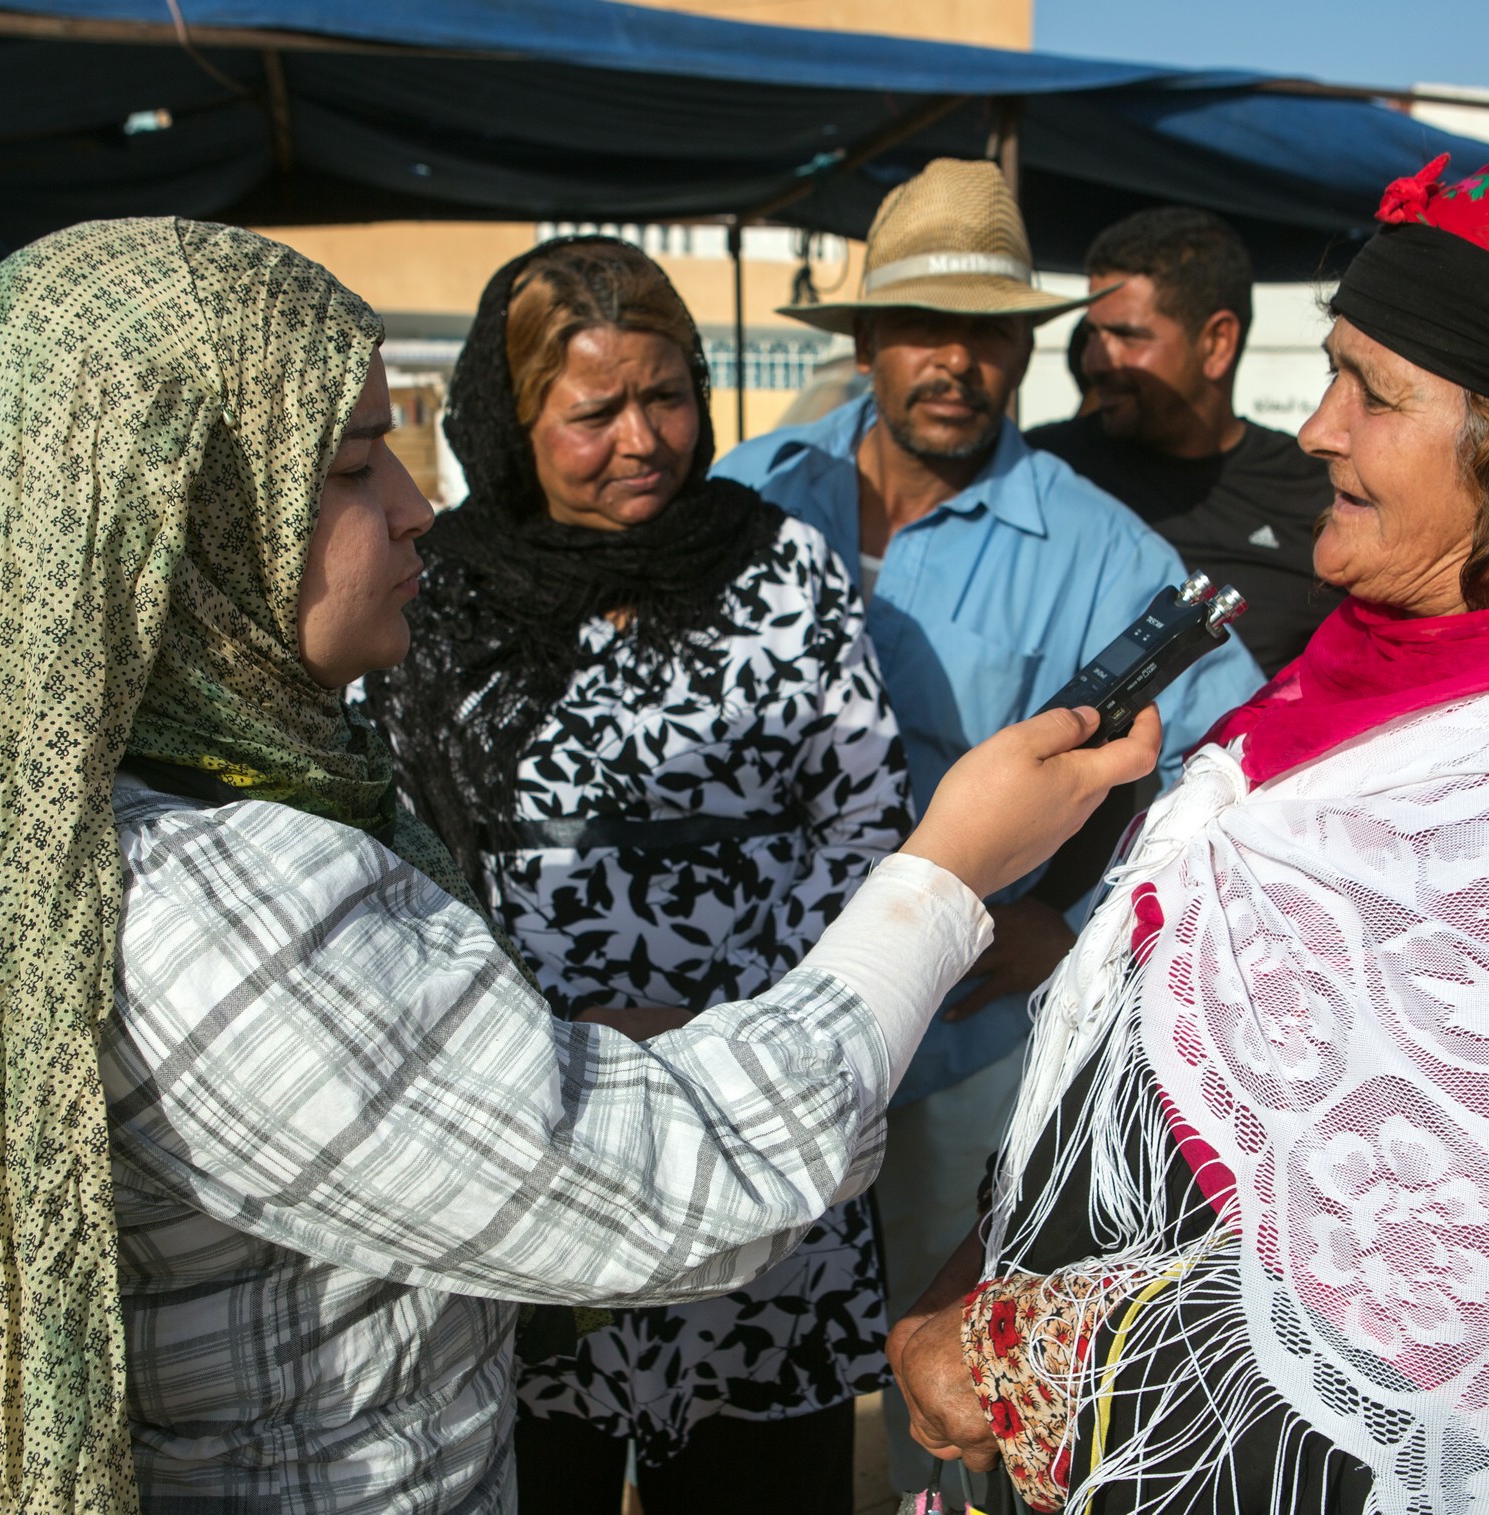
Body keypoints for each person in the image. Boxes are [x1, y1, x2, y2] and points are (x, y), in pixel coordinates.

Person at [0, 217, 1166, 1514]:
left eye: (667, 396)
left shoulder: (147, 812)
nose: (414, 506)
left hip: (638, 1108)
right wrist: (947, 872)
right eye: (350, 462)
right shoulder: (224, 902)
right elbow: (678, 1176)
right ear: (170, 520)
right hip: (615, 1162)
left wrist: (631, 1023)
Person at [888, 158, 1489, 1514]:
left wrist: (1009, 1356)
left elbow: (1453, 1279)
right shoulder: (1381, 668)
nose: (1319, 430)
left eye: (1374, 393)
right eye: (1330, 371)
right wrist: (986, 1267)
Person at [713, 158, 1266, 1501]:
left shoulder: (1100, 549)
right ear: (867, 340)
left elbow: (1232, 778)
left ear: (1027, 348)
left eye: (990, 331)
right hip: (745, 1036)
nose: (956, 362)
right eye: (924, 326)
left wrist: (1063, 929)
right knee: (742, 1399)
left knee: (961, 1416)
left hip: (959, 1064)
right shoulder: (746, 494)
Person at [360, 237, 911, 1513]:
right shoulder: (436, 592)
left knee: (755, 1482)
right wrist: (554, 1034)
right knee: (533, 1469)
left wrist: (730, 1026)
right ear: (510, 419)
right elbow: (392, 846)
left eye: (664, 396)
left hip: (756, 1106)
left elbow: (864, 822)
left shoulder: (780, 568)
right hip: (522, 1120)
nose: (643, 439)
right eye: (593, 410)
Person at [1027, 208, 1341, 677]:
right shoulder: (1040, 474)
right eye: (1092, 333)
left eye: (1127, 336)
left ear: (1216, 343)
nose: (1094, 360)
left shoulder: (1320, 496)